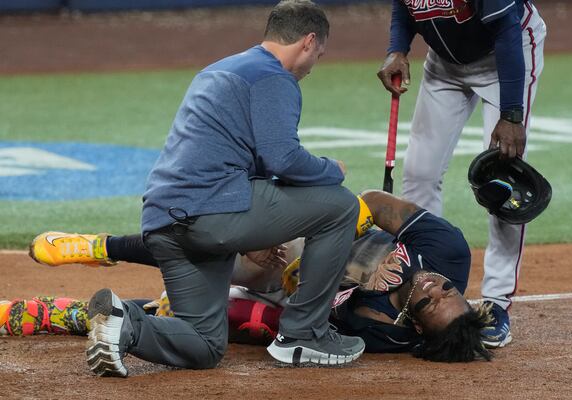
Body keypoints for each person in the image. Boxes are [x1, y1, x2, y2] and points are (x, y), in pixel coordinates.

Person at [81, 0, 366, 377]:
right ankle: (305, 334)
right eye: (320, 54)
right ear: (309, 42)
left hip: (164, 222)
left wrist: (249, 236)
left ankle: (125, 321)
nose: (314, 65)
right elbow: (282, 159)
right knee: (340, 205)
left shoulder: (219, 70)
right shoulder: (273, 77)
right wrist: (332, 169)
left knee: (204, 344)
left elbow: (248, 162)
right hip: (211, 211)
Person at [28, 189, 492, 362]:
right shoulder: (447, 252)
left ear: (415, 327)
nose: (434, 285)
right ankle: (96, 246)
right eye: (448, 288)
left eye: (430, 301)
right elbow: (377, 201)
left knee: (233, 320)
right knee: (214, 243)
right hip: (311, 238)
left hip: (296, 290)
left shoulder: (377, 332)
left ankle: (100, 315)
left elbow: (293, 323)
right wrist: (328, 259)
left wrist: (336, 282)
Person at [377, 0, 546, 348]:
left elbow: (507, 29)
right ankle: (418, 276)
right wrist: (397, 48)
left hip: (506, 56)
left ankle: (496, 303)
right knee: (420, 172)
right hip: (444, 64)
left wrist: (512, 114)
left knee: (503, 184)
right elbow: (404, 7)